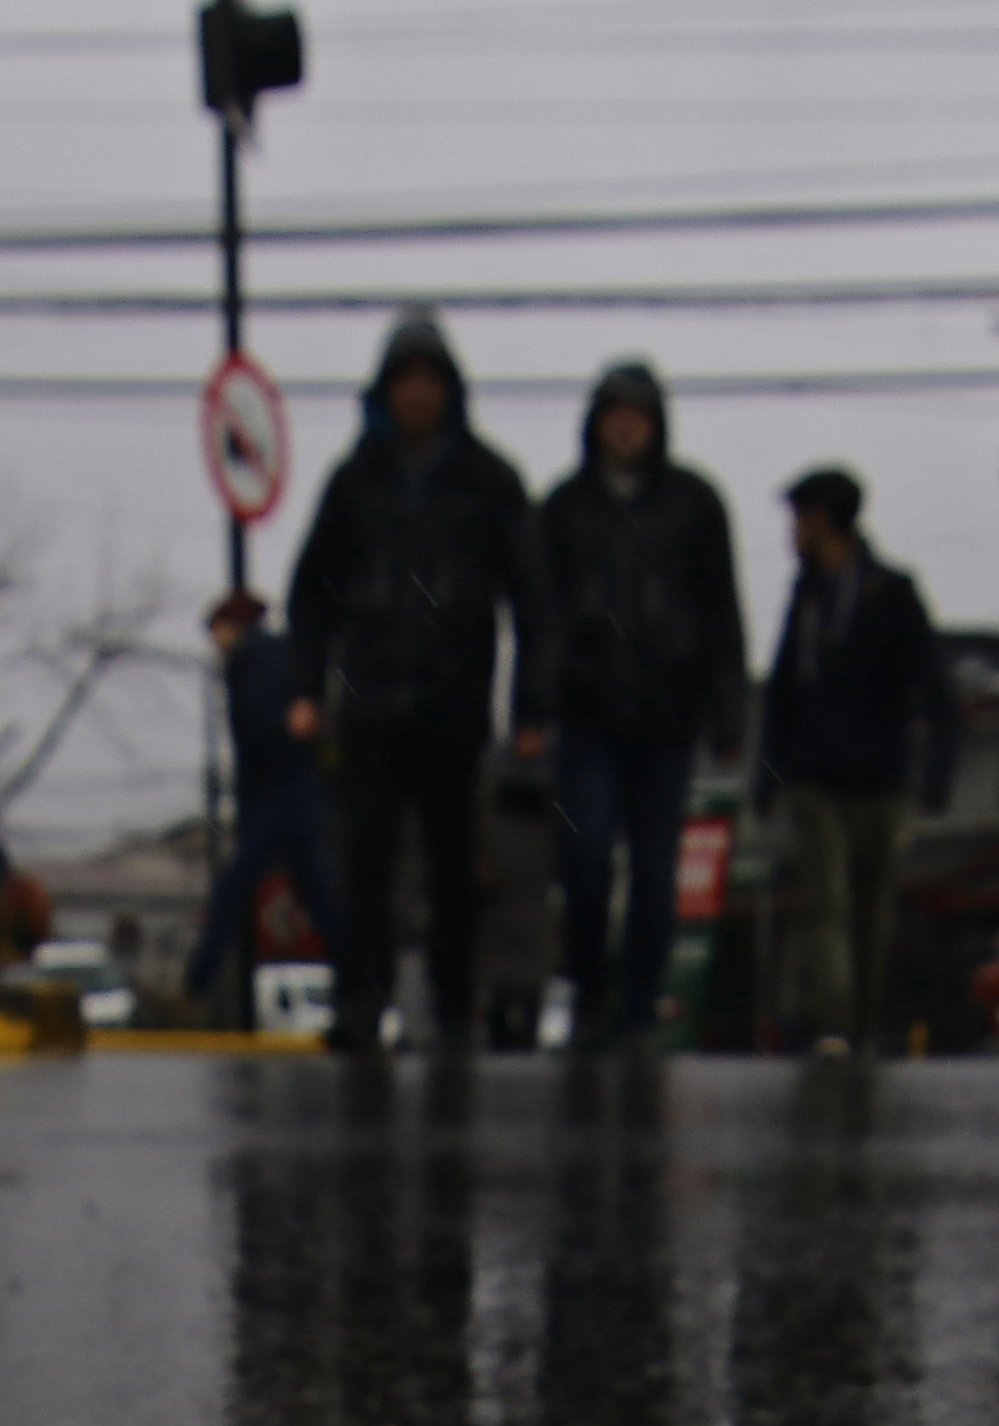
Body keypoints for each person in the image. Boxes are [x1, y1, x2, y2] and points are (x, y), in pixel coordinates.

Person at [285, 309, 546, 1054]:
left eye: (431, 380)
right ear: (386, 390)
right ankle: (361, 1006)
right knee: (364, 865)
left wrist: (532, 704)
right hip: (367, 702)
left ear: (451, 390)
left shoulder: (490, 481)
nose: (418, 394)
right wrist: (305, 689)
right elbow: (312, 593)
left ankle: (454, 1009)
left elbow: (532, 598)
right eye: (406, 380)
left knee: (455, 868)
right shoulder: (354, 479)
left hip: (455, 702)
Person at [535, 357, 747, 1052]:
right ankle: (591, 991)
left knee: (658, 875)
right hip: (589, 714)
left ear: (657, 425)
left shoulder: (695, 502)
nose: (625, 427)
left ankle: (640, 1010)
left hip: (668, 714)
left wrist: (728, 711)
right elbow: (540, 615)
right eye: (614, 413)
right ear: (594, 423)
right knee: (587, 860)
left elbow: (721, 608)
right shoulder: (564, 508)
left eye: (638, 415)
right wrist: (535, 705)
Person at [755, 464, 954, 1058]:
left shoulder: (892, 592)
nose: (792, 532)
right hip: (815, 779)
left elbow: (933, 684)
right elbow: (783, 693)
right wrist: (770, 777)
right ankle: (835, 1024)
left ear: (822, 520)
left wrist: (937, 767)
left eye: (799, 518)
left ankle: (863, 1023)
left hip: (880, 777)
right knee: (829, 904)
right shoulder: (805, 598)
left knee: (873, 908)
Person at [188, 588, 346, 1032]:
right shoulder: (279, 657)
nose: (214, 643)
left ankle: (198, 979)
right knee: (319, 897)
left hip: (275, 798)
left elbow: (261, 733)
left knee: (235, 886)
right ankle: (361, 982)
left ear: (230, 628)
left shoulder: (251, 663)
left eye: (216, 632)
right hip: (298, 794)